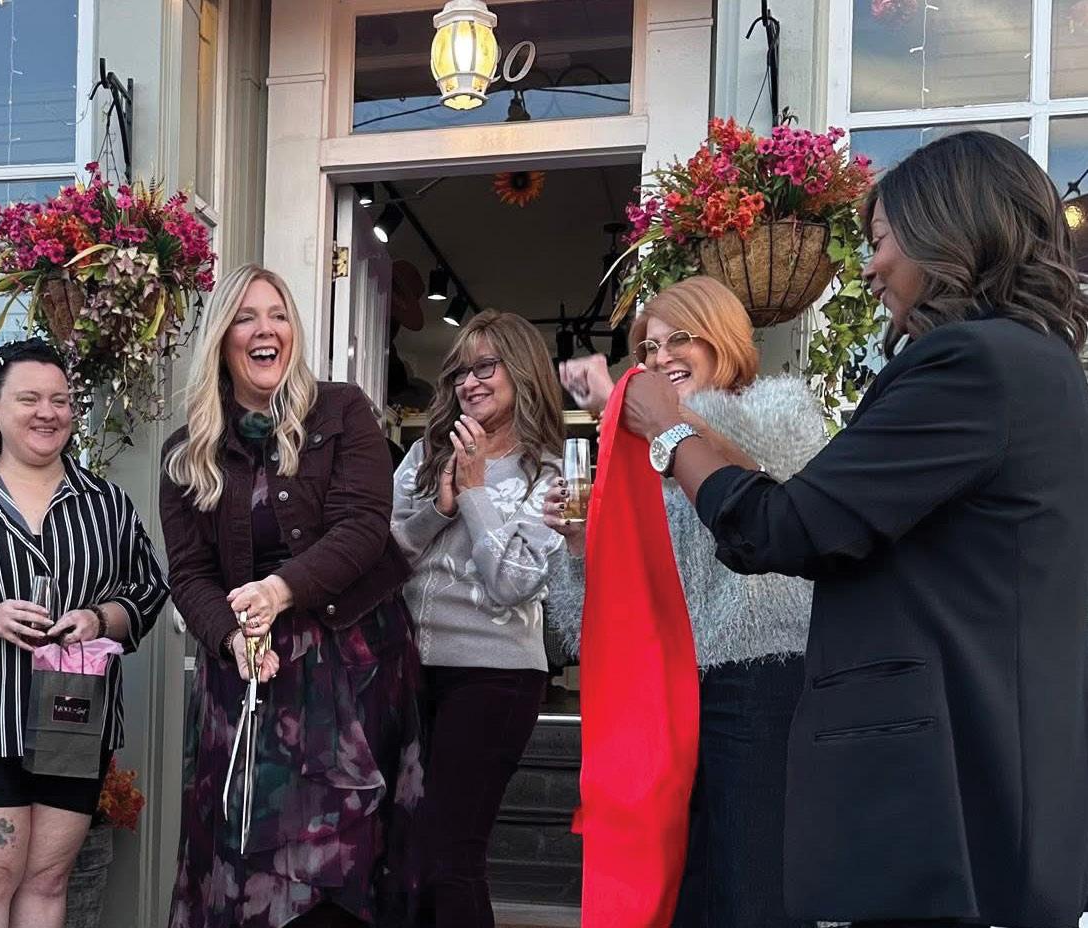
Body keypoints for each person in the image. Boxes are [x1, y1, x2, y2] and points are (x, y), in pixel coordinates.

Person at [616, 131, 1088, 928]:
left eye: (881, 241)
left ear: (945, 230)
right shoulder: (1036, 365)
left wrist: (668, 432)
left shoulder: (970, 365)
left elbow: (785, 528)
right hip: (998, 774)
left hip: (956, 791)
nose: (869, 268)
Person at [544, 276, 826, 927]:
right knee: (674, 887)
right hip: (663, 695)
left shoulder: (782, 408)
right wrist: (579, 547)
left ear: (722, 340)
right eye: (647, 347)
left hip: (761, 683)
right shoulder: (640, 456)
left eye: (680, 340)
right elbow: (584, 627)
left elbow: (757, 470)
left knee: (753, 884)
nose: (660, 357)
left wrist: (647, 413)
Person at [161, 263, 422, 928]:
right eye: (246, 317)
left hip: (352, 672)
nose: (265, 329)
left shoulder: (343, 410)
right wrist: (230, 636)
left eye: (277, 314)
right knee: (248, 865)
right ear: (223, 338)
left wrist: (279, 590)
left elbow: (364, 525)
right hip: (250, 677)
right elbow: (189, 573)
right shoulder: (186, 452)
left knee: (346, 862)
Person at [0, 337, 168, 928]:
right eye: (29, 399)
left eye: (60, 400)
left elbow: (147, 590)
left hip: (73, 718)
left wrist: (98, 618)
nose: (48, 412)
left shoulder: (106, 504)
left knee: (47, 880)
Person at [389, 309, 565, 927]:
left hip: (497, 677)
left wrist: (474, 493)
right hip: (410, 671)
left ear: (521, 370)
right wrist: (438, 508)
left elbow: (514, 582)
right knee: (403, 856)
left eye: (485, 366)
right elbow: (385, 561)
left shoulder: (547, 472)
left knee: (449, 855)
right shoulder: (422, 456)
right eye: (460, 371)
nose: (469, 382)